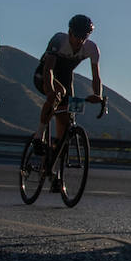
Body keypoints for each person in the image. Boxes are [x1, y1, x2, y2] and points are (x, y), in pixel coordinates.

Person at [32, 14, 105, 159]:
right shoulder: (59, 39)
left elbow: (96, 76)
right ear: (70, 32)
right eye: (77, 36)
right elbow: (49, 70)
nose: (80, 41)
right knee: (59, 93)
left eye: (84, 37)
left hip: (65, 77)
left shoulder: (92, 48)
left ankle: (55, 158)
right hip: (45, 74)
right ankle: (38, 136)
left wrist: (98, 94)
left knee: (68, 115)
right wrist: (52, 91)